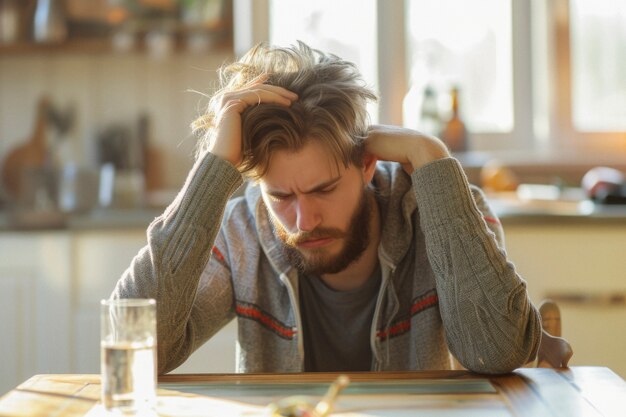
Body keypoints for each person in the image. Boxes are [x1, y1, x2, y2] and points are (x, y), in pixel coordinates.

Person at [112, 42, 567, 374]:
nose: (303, 221)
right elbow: (131, 349)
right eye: (282, 197)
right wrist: (214, 168)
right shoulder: (241, 233)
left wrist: (431, 155)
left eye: (324, 189)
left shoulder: (443, 212)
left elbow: (497, 351)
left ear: (367, 164)